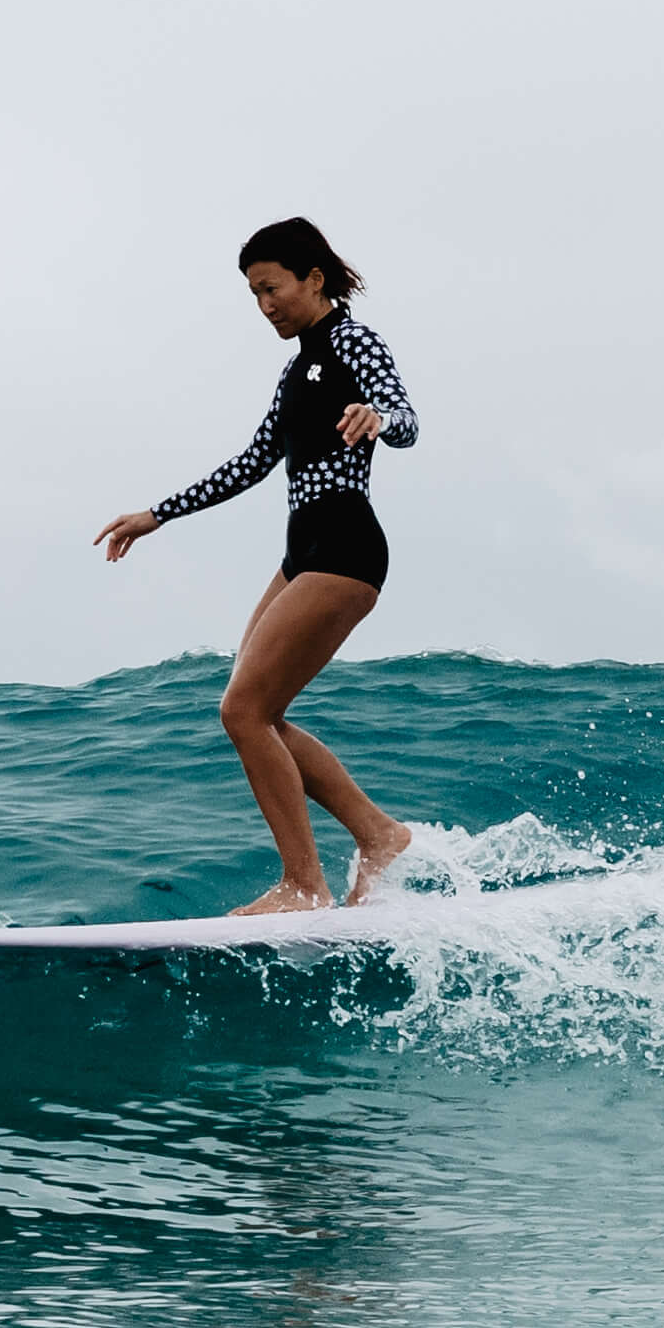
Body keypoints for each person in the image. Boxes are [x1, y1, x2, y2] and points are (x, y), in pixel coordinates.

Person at [93, 220, 418, 912]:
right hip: (301, 551)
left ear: (313, 279)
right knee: (257, 711)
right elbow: (252, 461)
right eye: (253, 294)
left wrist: (379, 419)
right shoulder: (296, 370)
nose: (264, 304)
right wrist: (159, 513)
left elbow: (407, 417)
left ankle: (303, 886)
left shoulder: (353, 341)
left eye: (271, 288)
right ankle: (376, 833)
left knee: (242, 710)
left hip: (345, 546)